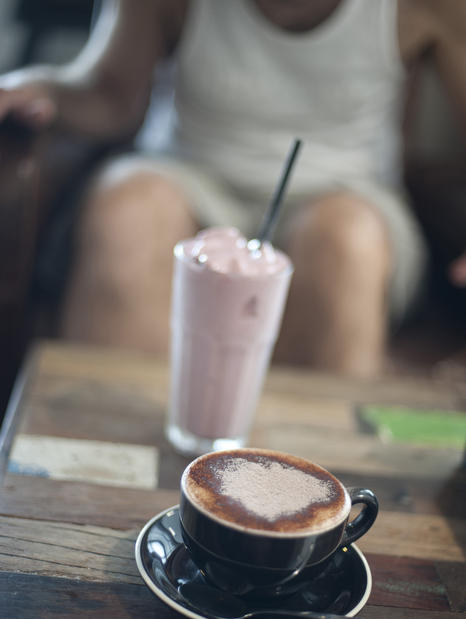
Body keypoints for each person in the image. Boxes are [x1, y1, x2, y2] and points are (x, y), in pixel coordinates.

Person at [0, 0, 465, 376]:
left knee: (343, 240)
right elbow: (110, 92)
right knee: (131, 210)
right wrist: (41, 90)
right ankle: (111, 473)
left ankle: (308, 482)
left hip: (349, 194)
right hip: (188, 172)